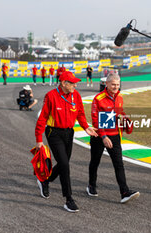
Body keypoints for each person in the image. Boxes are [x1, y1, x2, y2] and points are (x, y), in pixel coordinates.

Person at [35, 71, 98, 213]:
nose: (75, 85)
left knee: (64, 164)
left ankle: (45, 180)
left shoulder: (76, 95)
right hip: (54, 133)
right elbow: (42, 118)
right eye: (72, 83)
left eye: (75, 82)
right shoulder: (51, 96)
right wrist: (39, 139)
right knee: (64, 164)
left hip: (69, 133)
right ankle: (69, 199)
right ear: (64, 83)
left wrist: (86, 127)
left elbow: (80, 114)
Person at [87, 72, 140, 204]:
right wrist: (103, 136)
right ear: (107, 84)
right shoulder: (98, 98)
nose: (116, 87)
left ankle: (124, 192)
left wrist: (126, 120)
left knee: (119, 164)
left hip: (115, 135)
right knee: (95, 161)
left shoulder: (120, 96)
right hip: (100, 136)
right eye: (113, 84)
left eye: (117, 84)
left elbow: (120, 112)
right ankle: (91, 185)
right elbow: (95, 120)